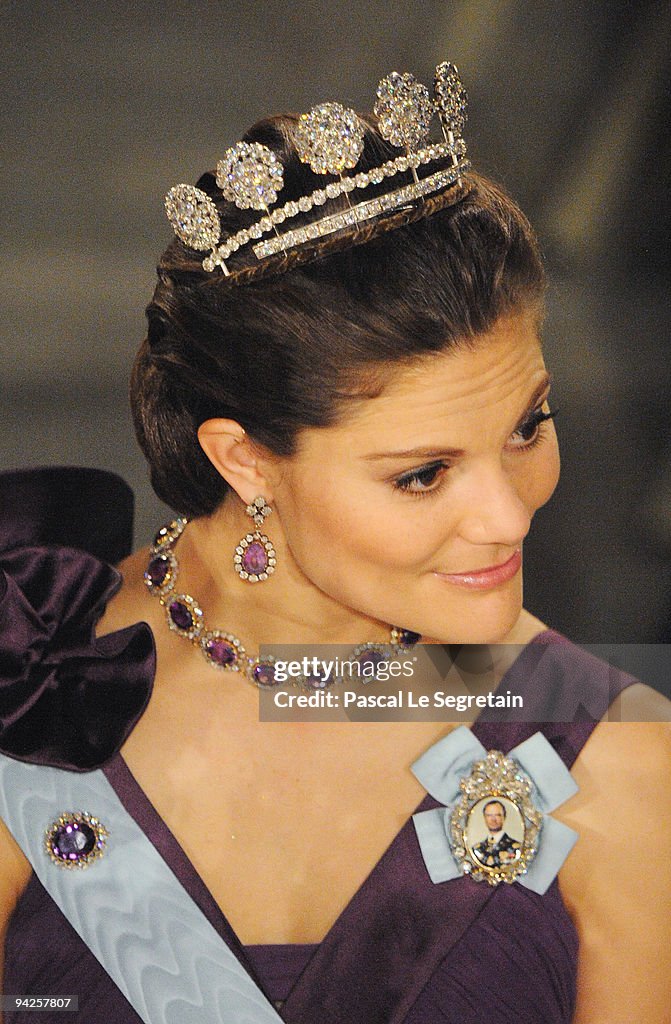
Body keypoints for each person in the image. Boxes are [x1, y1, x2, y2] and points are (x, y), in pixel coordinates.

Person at [1, 65, 670, 1024]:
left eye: (528, 425)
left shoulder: (617, 757)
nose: (509, 517)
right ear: (244, 462)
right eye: (421, 474)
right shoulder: (23, 683)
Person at [472, 801, 522, 869]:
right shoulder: (477, 849)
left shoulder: (516, 847)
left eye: (497, 815)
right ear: (484, 818)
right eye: (489, 815)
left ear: (504, 817)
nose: (493, 819)